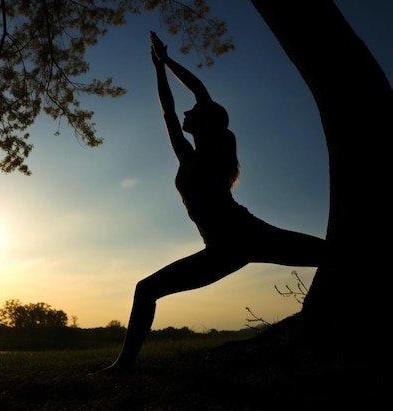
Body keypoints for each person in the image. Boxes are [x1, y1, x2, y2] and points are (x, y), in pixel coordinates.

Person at [96, 32, 329, 373]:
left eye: (196, 111)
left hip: (247, 234)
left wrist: (168, 61)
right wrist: (157, 70)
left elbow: (199, 92)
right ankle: (122, 365)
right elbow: (169, 111)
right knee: (146, 289)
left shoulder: (219, 145)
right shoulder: (186, 157)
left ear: (209, 120)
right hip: (220, 251)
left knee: (333, 256)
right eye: (189, 111)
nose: (188, 113)